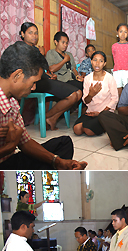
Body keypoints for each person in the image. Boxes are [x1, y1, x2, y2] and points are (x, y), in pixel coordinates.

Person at [0, 41, 87, 170]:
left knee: (64, 144)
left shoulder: (12, 102)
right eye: (33, 82)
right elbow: (15, 145)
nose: (34, 87)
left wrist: (57, 161)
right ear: (17, 75)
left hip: (10, 160)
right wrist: (9, 147)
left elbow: (25, 142)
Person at [20, 22, 82, 131]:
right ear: (22, 34)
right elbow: (28, 70)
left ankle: (51, 118)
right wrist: (41, 55)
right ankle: (47, 117)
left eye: (36, 33)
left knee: (78, 93)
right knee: (74, 94)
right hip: (33, 82)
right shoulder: (20, 49)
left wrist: (49, 75)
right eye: (31, 33)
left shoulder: (35, 50)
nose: (34, 36)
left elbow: (41, 69)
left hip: (44, 79)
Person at [73, 51, 118, 136]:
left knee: (88, 131)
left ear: (104, 63)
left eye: (101, 61)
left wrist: (100, 113)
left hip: (105, 113)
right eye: (95, 60)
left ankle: (106, 124)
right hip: (91, 112)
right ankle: (94, 124)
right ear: (91, 61)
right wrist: (91, 94)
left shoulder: (109, 78)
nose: (97, 63)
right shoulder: (87, 78)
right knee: (77, 129)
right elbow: (85, 101)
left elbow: (115, 99)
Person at [112, 23, 128, 97]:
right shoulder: (114, 46)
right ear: (117, 32)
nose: (123, 34)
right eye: (121, 31)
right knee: (117, 91)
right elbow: (114, 58)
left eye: (125, 32)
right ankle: (119, 107)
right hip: (117, 71)